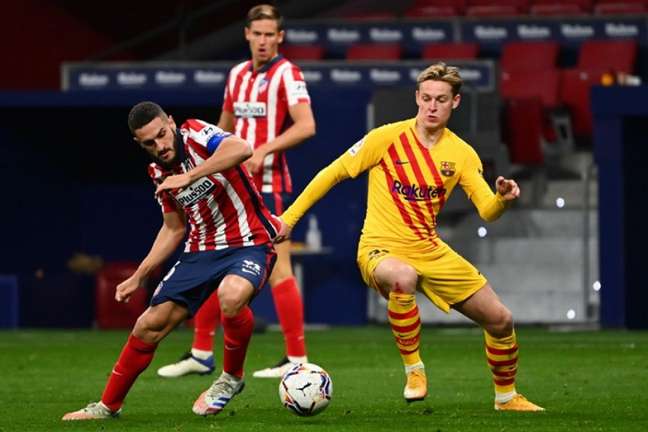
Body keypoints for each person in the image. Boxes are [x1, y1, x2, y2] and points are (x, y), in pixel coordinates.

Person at [274, 62, 545, 411]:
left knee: (500, 319)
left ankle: (507, 397)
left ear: (455, 103)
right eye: (427, 98)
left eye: (441, 100)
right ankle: (414, 370)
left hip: (429, 249)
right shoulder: (386, 138)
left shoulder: (461, 154)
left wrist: (502, 201)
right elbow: (332, 174)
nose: (432, 106)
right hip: (379, 247)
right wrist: (289, 218)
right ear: (417, 97)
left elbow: (487, 211)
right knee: (403, 276)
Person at [62, 101, 283, 420]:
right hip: (200, 251)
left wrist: (190, 176)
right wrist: (139, 275)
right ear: (139, 144)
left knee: (231, 296)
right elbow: (173, 227)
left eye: (162, 134)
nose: (160, 145)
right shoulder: (157, 172)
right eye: (149, 143)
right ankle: (107, 406)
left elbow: (242, 148)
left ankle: (231, 378)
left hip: (250, 241)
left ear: (171, 122)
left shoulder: (195, 132)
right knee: (148, 324)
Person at [157, 3, 316, 380]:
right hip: (230, 188)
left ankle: (296, 359)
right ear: (247, 34)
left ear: (280, 37)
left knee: (280, 269)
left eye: (269, 35)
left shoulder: (287, 74)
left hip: (268, 185)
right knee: (215, 261)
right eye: (256, 34)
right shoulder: (237, 75)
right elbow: (222, 128)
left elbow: (306, 125)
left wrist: (264, 149)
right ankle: (199, 352)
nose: (262, 41)